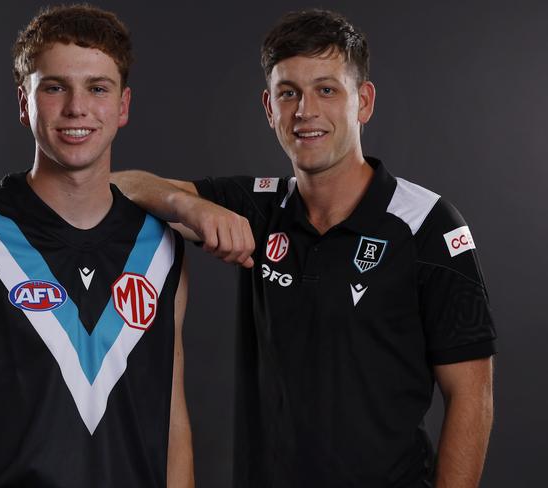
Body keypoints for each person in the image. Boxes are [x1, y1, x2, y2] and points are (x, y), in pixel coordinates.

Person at [112, 9, 496, 488]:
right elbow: (118, 186)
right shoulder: (261, 205)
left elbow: (471, 397)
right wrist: (188, 206)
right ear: (269, 107)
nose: (305, 111)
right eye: (288, 92)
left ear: (364, 102)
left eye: (327, 89)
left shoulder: (426, 225)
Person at [0, 5, 194, 487]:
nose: (76, 108)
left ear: (123, 106)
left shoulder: (160, 251)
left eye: (98, 88)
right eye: (54, 87)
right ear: (25, 102)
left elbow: (173, 426)